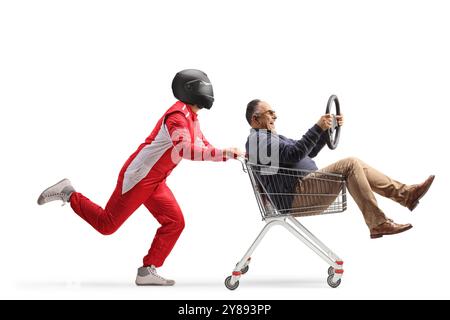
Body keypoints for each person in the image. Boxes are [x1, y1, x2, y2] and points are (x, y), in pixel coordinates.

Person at [37, 69, 242, 286]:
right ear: (190, 89)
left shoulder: (191, 118)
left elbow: (202, 145)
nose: (208, 90)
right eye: (204, 85)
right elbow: (184, 149)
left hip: (156, 181)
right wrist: (223, 154)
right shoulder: (177, 116)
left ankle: (146, 271)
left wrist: (229, 154)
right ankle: (69, 193)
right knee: (107, 225)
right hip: (139, 177)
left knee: (175, 222)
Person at [245, 99, 434, 239]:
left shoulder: (271, 138)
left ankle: (404, 197)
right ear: (255, 118)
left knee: (355, 165)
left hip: (307, 188)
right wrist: (317, 127)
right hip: (296, 196)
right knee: (350, 164)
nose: (275, 116)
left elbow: (306, 153)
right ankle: (381, 219)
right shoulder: (258, 140)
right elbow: (296, 153)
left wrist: (326, 130)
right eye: (269, 113)